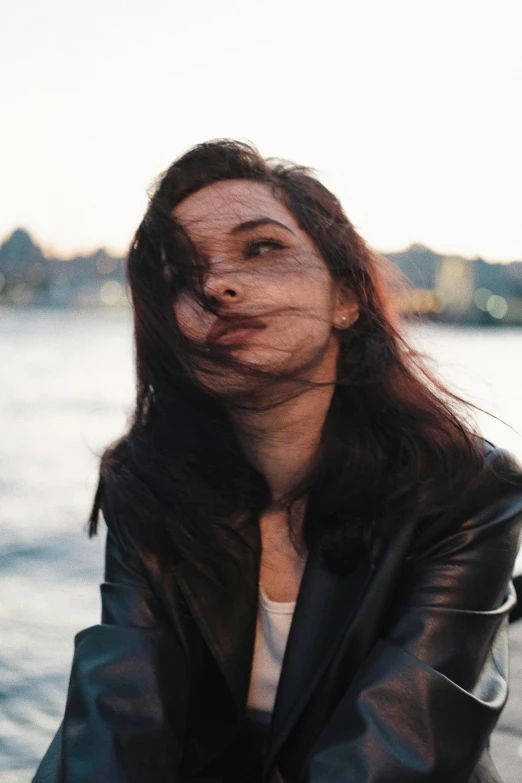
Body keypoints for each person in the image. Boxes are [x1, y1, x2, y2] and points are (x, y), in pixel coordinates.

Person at [32, 139, 522, 783]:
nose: (218, 285)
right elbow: (122, 715)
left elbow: (398, 750)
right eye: (183, 273)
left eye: (261, 247)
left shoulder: (465, 489)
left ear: (346, 298)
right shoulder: (149, 486)